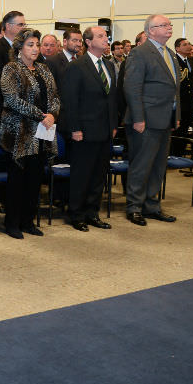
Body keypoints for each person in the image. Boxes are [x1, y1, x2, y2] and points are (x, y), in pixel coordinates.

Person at [0, 28, 59, 239]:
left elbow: (54, 96)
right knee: (18, 179)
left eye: (36, 44)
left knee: (35, 178)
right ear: (19, 48)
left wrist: (52, 114)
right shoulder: (11, 69)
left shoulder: (43, 69)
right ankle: (12, 223)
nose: (35, 49)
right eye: (30, 45)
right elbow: (12, 99)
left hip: (42, 132)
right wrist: (40, 115)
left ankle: (28, 221)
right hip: (19, 133)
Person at [122, 14, 181, 226]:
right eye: (163, 25)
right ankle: (134, 207)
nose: (169, 28)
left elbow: (175, 90)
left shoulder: (170, 54)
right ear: (150, 30)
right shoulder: (140, 53)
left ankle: (151, 206)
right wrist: (138, 118)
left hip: (165, 119)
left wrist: (177, 116)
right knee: (142, 165)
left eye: (169, 25)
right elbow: (132, 87)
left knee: (158, 166)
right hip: (145, 120)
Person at [61, 26, 117, 232]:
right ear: (88, 41)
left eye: (106, 36)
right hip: (84, 130)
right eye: (101, 36)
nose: (106, 39)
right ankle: (76, 214)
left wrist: (113, 125)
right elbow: (70, 100)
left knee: (99, 175)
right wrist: (74, 128)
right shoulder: (78, 66)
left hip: (104, 130)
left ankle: (92, 212)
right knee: (82, 174)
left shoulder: (109, 65)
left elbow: (112, 99)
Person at [0, 10, 25, 128]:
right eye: (20, 25)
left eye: (24, 25)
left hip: (24, 111)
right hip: (4, 110)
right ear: (8, 26)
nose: (23, 28)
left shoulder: (25, 48)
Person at [173, 37, 193, 145]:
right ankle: (174, 157)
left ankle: (182, 157)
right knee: (177, 133)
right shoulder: (174, 61)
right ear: (177, 48)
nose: (189, 46)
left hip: (189, 102)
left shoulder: (191, 60)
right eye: (185, 45)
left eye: (189, 44)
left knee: (185, 131)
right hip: (179, 102)